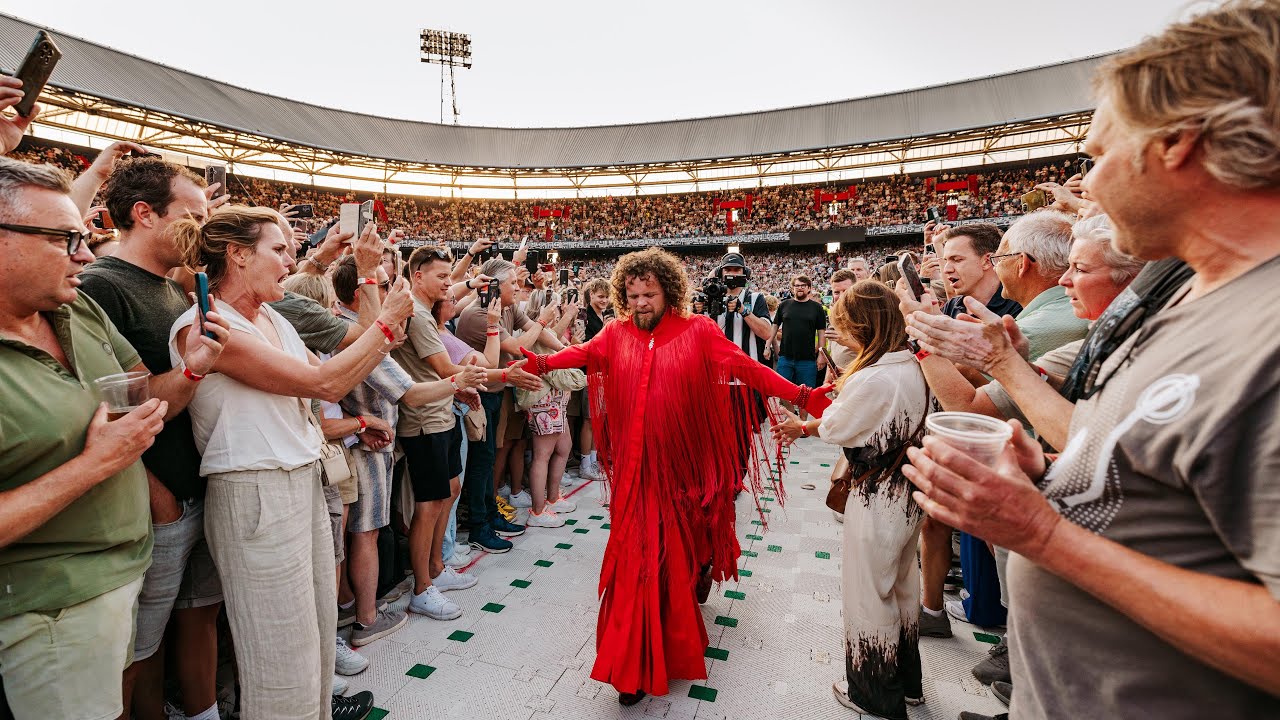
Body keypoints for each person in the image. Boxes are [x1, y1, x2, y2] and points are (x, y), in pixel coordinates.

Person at [907, 3, 1280, 718]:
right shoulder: (1183, 294)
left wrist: (1044, 535)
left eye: (1100, 156)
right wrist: (1055, 475)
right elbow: (1168, 495)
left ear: (1177, 143)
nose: (1090, 189)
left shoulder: (1265, 330)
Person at [520, 248, 831, 705]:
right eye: (633, 295)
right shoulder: (616, 332)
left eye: (649, 293)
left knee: (678, 552)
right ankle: (633, 666)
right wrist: (538, 364)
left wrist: (802, 396)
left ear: (669, 291)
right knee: (639, 561)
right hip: (635, 477)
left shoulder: (698, 330)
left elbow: (748, 369)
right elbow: (581, 354)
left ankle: (692, 584)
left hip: (685, 470)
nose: (641, 302)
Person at [0, 157, 224, 720]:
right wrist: (99, 468)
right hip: (52, 603)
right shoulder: (101, 285)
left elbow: (145, 397)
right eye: (64, 239)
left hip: (123, 566)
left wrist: (192, 367)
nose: (83, 254)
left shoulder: (77, 307)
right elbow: (111, 446)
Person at [169, 206, 414, 720]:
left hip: (301, 480)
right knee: (280, 657)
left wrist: (371, 283)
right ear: (238, 255)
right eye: (279, 249)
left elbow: (357, 358)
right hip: (256, 491)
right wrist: (388, 322)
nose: (292, 260)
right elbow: (326, 382)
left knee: (318, 641)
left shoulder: (275, 317)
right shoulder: (207, 325)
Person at [78, 156, 225, 720]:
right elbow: (104, 409)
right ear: (144, 213)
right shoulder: (101, 286)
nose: (203, 229)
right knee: (136, 649)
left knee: (195, 617)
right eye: (193, 215)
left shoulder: (171, 285)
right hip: (156, 501)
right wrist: (157, 497)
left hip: (191, 484)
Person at [772, 281, 932, 720]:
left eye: (845, 326)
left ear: (864, 325)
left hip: (877, 491)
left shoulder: (874, 376)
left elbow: (837, 426)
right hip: (909, 488)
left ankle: (874, 693)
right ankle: (908, 683)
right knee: (903, 586)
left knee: (869, 592)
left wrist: (802, 426)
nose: (840, 335)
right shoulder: (914, 364)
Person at [330, 256, 487, 642]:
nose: (390, 291)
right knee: (370, 531)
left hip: (390, 434)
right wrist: (463, 381)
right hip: (381, 440)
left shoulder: (369, 330)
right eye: (383, 285)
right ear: (362, 292)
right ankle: (377, 612)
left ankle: (371, 598)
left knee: (380, 525)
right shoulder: (362, 335)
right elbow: (413, 392)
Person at [393, 247, 537, 616]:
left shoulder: (425, 311)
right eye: (441, 277)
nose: (449, 283)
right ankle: (422, 587)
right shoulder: (418, 315)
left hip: (441, 413)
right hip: (424, 419)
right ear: (418, 276)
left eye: (448, 276)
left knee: (449, 491)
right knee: (429, 504)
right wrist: (503, 374)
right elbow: (445, 369)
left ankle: (436, 568)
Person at [453, 257, 562, 554]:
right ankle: (479, 525)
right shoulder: (478, 314)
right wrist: (543, 320)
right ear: (494, 286)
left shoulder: (508, 306)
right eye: (512, 282)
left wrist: (567, 351)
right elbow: (519, 345)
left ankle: (489, 516)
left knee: (488, 460)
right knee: (481, 463)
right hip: (476, 396)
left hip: (494, 393)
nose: (518, 286)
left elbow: (535, 333)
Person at [772, 274, 828, 412]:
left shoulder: (817, 308)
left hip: (807, 359)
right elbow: (775, 326)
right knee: (781, 390)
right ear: (793, 288)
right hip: (785, 357)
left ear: (809, 288)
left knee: (807, 394)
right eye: (797, 285)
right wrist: (769, 345)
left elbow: (822, 332)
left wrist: (822, 354)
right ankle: (793, 414)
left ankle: (802, 421)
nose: (800, 288)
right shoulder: (784, 305)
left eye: (803, 286)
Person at [576, 277, 611, 481]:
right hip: (590, 375)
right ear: (591, 295)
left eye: (606, 297)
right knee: (590, 420)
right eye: (600, 296)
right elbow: (587, 346)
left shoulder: (603, 315)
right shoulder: (586, 317)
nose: (604, 300)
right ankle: (585, 464)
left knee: (599, 420)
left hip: (603, 375)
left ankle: (594, 461)